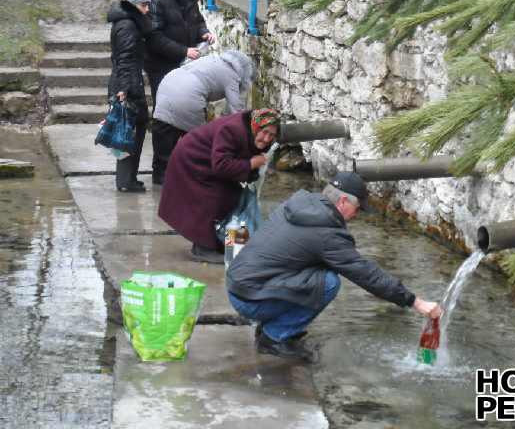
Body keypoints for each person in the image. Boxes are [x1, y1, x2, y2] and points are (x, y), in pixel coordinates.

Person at [225, 171, 443, 360]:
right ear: (342, 202)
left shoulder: (303, 203)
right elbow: (366, 274)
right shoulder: (327, 234)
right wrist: (414, 301)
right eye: (357, 208)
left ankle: (273, 327)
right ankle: (273, 336)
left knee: (320, 272)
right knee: (328, 283)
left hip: (239, 285)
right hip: (249, 299)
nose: (357, 215)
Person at [158, 109, 280, 263]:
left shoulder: (250, 132)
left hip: (207, 161)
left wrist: (252, 167)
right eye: (264, 132)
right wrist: (250, 164)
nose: (266, 138)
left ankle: (215, 242)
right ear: (256, 126)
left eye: (271, 135)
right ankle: (202, 249)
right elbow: (221, 166)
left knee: (232, 195)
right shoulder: (233, 130)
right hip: (191, 160)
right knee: (213, 196)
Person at [151, 50, 255, 185]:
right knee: (198, 142)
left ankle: (160, 175)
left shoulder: (211, 60)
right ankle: (197, 173)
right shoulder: (232, 75)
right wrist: (248, 132)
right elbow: (236, 109)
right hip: (188, 97)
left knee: (164, 132)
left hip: (166, 86)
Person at [144, 0, 214, 109]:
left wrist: (204, 33)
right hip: (160, 66)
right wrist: (184, 51)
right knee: (164, 109)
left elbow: (198, 20)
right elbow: (153, 38)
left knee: (186, 107)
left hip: (185, 64)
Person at [107, 0, 152, 193]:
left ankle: (127, 178)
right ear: (133, 5)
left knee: (130, 131)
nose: (146, 10)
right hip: (129, 85)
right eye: (143, 5)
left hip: (129, 82)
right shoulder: (127, 26)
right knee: (130, 133)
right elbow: (125, 58)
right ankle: (126, 180)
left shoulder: (126, 22)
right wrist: (124, 88)